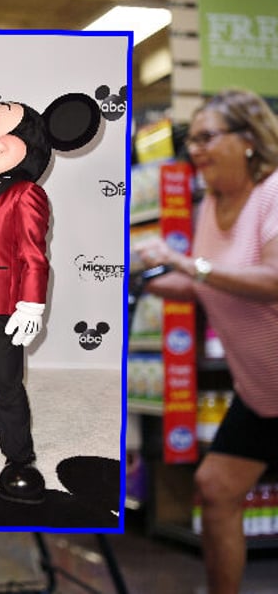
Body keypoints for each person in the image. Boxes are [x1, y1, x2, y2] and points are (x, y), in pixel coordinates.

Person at [135, 88, 278, 594]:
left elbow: (273, 277)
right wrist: (141, 276)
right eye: (189, 139)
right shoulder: (211, 206)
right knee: (215, 488)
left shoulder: (273, 193)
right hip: (263, 392)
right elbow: (204, 285)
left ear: (247, 141)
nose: (194, 149)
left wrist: (185, 263)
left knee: (216, 486)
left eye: (206, 137)